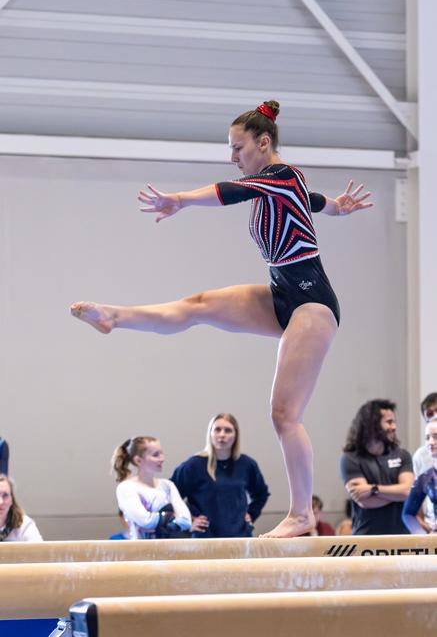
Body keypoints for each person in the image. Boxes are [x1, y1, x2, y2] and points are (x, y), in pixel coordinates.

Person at [71, 99, 372, 537]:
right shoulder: (285, 185)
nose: (233, 157)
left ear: (263, 143)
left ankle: (303, 513)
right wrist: (336, 208)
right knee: (199, 304)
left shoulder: (279, 175)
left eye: (238, 148)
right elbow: (312, 199)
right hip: (282, 292)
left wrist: (179, 199)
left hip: (313, 302)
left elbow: (229, 192)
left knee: (284, 414)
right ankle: (114, 317)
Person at [171, 413, 270, 538]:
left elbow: (261, 494)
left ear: (236, 436)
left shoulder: (246, 464)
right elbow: (170, 495)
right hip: (205, 538)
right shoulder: (193, 465)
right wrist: (189, 520)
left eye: (228, 430)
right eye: (217, 430)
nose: (222, 435)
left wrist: (251, 514)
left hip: (239, 536)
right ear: (210, 433)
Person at [340, 399, 414, 535]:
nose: (394, 427)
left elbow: (408, 492)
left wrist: (373, 489)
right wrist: (397, 493)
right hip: (367, 539)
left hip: (402, 537)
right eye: (389, 422)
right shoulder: (350, 458)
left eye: (394, 422)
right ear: (372, 426)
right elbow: (364, 501)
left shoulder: (402, 455)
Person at [112, 436, 192, 539]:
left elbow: (186, 521)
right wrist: (171, 519)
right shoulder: (127, 488)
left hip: (169, 551)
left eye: (161, 453)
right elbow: (144, 521)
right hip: (141, 551)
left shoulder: (167, 486)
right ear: (138, 460)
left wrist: (164, 519)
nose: (162, 459)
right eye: (156, 455)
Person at [402, 418, 437, 534]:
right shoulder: (427, 477)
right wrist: (421, 536)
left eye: (436, 436)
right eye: (427, 438)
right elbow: (408, 514)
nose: (430, 442)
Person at [412, 392, 437, 531]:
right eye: (429, 414)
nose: (434, 416)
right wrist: (424, 528)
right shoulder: (421, 456)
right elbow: (417, 499)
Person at [0, 474, 43, 541]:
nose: (1, 502)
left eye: (5, 495)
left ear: (12, 500)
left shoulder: (24, 524)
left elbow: (40, 549)